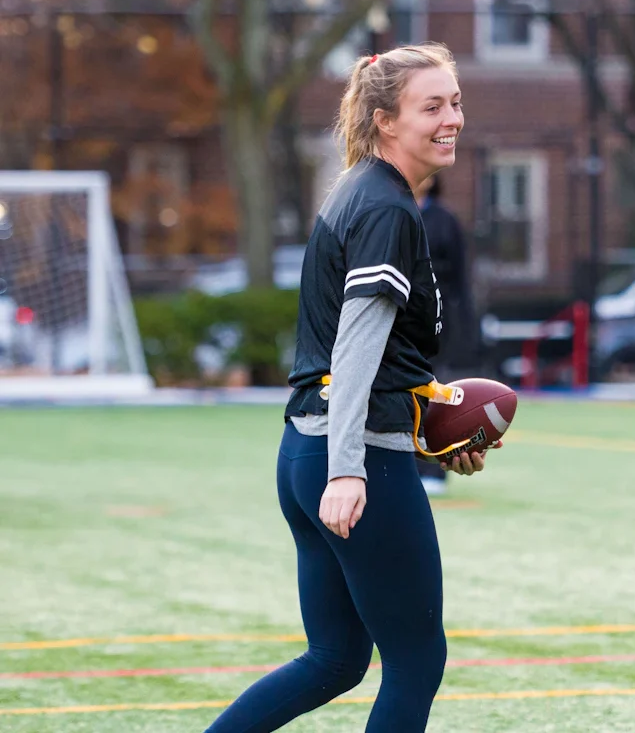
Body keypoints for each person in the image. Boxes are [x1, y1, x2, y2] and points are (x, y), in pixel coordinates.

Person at [205, 43, 494, 733]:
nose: (452, 118)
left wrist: (433, 428)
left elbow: (382, 356)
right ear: (386, 119)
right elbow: (355, 350)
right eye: (433, 106)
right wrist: (349, 470)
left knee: (336, 657)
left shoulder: (361, 192)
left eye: (455, 102)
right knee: (418, 659)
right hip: (350, 460)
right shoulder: (388, 209)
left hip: (303, 452)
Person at [412, 175, 475, 495]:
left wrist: (464, 323)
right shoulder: (392, 211)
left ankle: (434, 468)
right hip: (400, 321)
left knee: (434, 393)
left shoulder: (444, 220)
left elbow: (462, 276)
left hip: (439, 321)